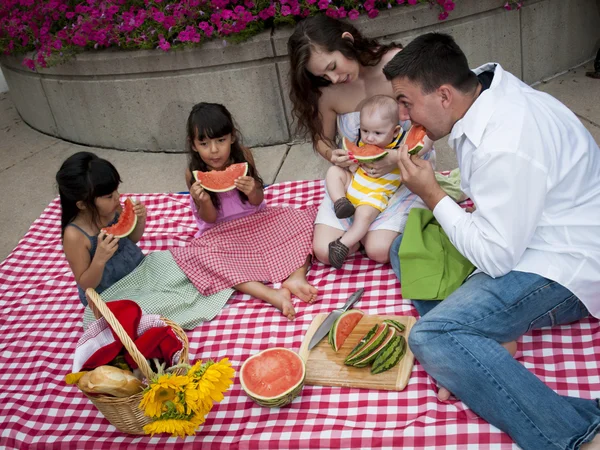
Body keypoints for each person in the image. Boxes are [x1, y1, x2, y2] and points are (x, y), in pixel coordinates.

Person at [384, 32, 600, 450]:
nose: (403, 115)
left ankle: (577, 436)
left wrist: (433, 194)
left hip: (566, 262)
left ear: (444, 95)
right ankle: (488, 346)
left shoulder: (508, 143)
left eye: (406, 101)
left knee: (431, 336)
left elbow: (498, 259)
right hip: (526, 233)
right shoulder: (484, 91)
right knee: (404, 245)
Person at [287, 15, 435, 267]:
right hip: (358, 182)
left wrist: (395, 157)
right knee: (323, 251)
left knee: (378, 249)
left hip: (405, 177)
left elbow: (431, 124)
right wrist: (331, 154)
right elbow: (322, 138)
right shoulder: (328, 91)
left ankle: (366, 234)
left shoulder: (397, 63)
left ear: (347, 41)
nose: (332, 79)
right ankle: (355, 229)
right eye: (323, 75)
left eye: (332, 67)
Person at [170, 102, 318, 320]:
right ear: (193, 145)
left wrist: (252, 190)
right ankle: (270, 294)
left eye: (220, 140)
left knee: (302, 220)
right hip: (221, 235)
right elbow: (208, 219)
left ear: (232, 137)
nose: (213, 150)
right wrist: (204, 201)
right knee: (198, 256)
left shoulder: (244, 157)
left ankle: (297, 276)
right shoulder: (192, 172)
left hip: (258, 223)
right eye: (204, 143)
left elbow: (258, 200)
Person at [57, 152, 236, 331]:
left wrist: (139, 221)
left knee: (186, 259)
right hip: (112, 293)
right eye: (109, 196)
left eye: (116, 191)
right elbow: (86, 284)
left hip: (141, 269)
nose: (118, 197)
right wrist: (99, 259)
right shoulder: (75, 236)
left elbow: (131, 240)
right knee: (128, 314)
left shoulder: (113, 209)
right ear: (82, 205)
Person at [326, 95, 409, 269]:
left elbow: (410, 160)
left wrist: (396, 158)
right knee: (333, 172)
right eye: (365, 131)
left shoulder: (400, 146)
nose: (369, 138)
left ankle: (342, 245)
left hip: (374, 196)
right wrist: (348, 162)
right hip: (354, 184)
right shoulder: (361, 141)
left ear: (394, 132)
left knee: (363, 217)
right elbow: (352, 164)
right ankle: (340, 202)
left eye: (377, 133)